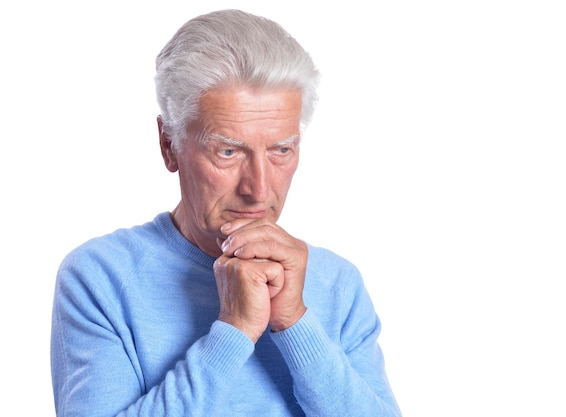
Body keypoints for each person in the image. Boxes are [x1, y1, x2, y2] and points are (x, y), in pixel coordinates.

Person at [50, 9, 401, 417]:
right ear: (169, 145)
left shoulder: (338, 283)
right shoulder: (100, 277)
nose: (259, 189)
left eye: (280, 151)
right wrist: (233, 332)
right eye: (228, 151)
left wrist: (294, 321)